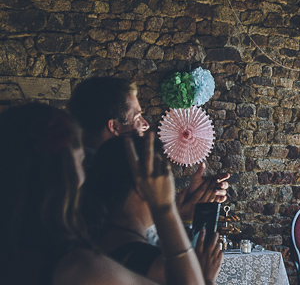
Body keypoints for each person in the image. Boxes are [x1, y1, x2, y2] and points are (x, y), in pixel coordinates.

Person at [0, 102, 210, 285]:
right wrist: (165, 210)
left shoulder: (16, 253)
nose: (86, 174)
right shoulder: (75, 270)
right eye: (82, 161)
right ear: (66, 174)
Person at [67, 76, 230, 226]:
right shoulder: (95, 177)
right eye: (137, 117)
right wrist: (173, 215)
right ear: (114, 126)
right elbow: (133, 241)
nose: (145, 124)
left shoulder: (78, 167)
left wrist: (189, 202)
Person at [82, 136, 223, 285]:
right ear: (144, 185)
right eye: (166, 178)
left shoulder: (92, 244)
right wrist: (206, 281)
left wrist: (183, 218)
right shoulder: (152, 265)